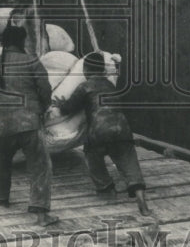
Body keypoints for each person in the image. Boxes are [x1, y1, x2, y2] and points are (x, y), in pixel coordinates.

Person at [53, 51, 150, 216]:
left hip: (99, 128)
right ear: (103, 70)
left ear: (85, 70)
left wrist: (60, 103)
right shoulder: (110, 85)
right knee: (128, 159)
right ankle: (139, 194)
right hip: (122, 127)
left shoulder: (85, 86)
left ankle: (106, 188)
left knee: (92, 155)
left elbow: (69, 107)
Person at [0, 24, 57, 228]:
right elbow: (45, 88)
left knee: (3, 160)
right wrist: (43, 108)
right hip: (28, 122)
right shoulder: (31, 61)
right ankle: (41, 214)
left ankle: (2, 199)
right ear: (22, 41)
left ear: (4, 43)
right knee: (40, 165)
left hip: (2, 123)